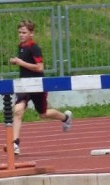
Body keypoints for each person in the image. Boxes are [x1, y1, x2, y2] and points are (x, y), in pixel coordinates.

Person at [8, 19, 72, 156]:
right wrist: (16, 62)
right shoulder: (21, 46)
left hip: (37, 85)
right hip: (24, 86)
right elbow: (25, 64)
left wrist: (20, 62)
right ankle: (15, 144)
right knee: (18, 110)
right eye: (19, 32)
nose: (21, 35)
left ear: (31, 33)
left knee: (43, 114)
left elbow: (39, 67)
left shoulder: (34, 48)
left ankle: (65, 118)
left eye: (24, 32)